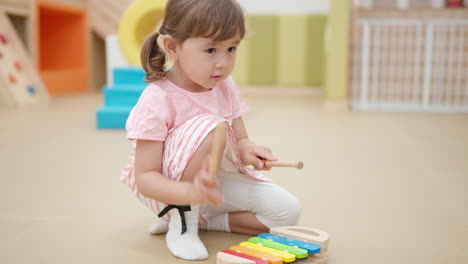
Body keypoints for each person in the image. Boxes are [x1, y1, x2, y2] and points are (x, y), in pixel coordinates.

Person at [120, 0, 301, 260]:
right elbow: (145, 177)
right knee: (210, 126)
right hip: (170, 191)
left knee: (287, 213)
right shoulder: (157, 99)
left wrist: (250, 150)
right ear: (173, 47)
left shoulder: (225, 87)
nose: (223, 63)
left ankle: (205, 220)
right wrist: (187, 194)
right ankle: (182, 221)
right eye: (211, 50)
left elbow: (240, 139)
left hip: (212, 185)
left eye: (231, 48)